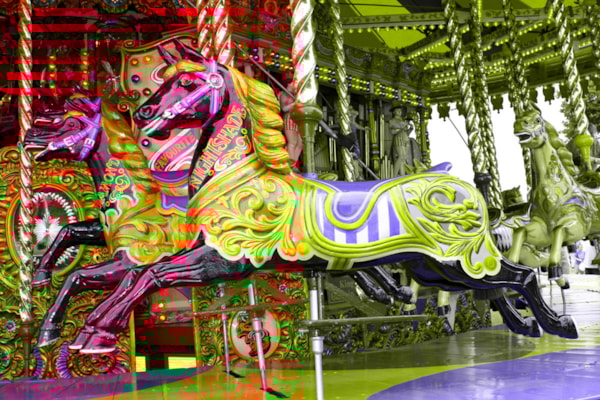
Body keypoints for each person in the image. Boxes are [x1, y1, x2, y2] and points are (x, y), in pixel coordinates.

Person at [277, 83, 304, 169]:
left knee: (300, 143)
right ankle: (291, 165)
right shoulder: (283, 94)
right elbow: (284, 108)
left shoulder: (297, 95)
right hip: (290, 118)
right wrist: (295, 103)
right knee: (292, 142)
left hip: (299, 119)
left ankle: (294, 163)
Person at [389, 106, 416, 176]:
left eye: (400, 111)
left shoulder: (403, 121)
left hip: (405, 138)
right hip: (399, 139)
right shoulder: (392, 121)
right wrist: (401, 129)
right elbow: (392, 132)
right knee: (400, 156)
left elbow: (407, 133)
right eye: (398, 110)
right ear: (394, 112)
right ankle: (393, 175)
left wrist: (410, 129)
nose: (399, 112)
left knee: (403, 158)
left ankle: (402, 174)